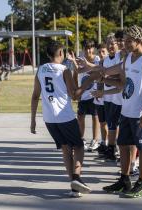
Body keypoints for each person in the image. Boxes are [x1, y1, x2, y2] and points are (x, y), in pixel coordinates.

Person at [102, 25, 142, 198]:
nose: (125, 44)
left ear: (140, 41)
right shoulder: (127, 59)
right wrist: (101, 77)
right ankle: (124, 180)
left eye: (129, 41)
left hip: (140, 113)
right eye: (125, 41)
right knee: (123, 145)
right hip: (126, 111)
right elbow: (124, 84)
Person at [31, 40, 90, 198]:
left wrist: (33, 120)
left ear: (48, 54)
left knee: (65, 148)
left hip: (49, 119)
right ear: (61, 54)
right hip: (65, 117)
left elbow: (35, 96)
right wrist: (88, 82)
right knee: (78, 146)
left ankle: (74, 186)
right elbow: (75, 95)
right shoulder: (64, 70)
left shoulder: (41, 70)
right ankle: (76, 177)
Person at [91, 34, 123, 162]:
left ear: (118, 44)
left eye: (113, 43)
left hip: (119, 97)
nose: (111, 45)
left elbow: (119, 77)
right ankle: (111, 148)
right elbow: (100, 76)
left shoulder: (120, 56)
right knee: (110, 124)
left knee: (116, 125)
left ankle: (116, 149)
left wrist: (106, 77)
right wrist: (100, 90)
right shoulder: (104, 60)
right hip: (108, 97)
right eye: (108, 43)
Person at [73, 40, 100, 151]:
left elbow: (98, 72)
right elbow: (75, 74)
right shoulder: (79, 59)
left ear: (93, 49)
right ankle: (81, 139)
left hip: (93, 93)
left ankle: (95, 140)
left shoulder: (97, 60)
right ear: (83, 49)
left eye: (91, 48)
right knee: (80, 117)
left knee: (95, 117)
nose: (89, 50)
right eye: (86, 48)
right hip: (83, 94)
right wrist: (76, 90)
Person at [94, 43, 109, 153]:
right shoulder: (98, 63)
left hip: (110, 97)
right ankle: (104, 142)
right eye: (99, 52)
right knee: (102, 122)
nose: (101, 54)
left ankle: (113, 144)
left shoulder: (110, 63)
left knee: (112, 124)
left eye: (103, 51)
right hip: (99, 98)